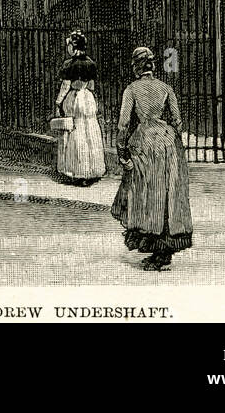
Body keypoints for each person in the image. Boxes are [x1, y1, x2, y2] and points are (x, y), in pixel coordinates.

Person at [111, 45, 193, 271]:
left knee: (146, 195)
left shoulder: (132, 89)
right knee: (167, 195)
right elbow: (177, 120)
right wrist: (176, 144)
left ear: (136, 67)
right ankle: (163, 250)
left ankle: (155, 247)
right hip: (167, 142)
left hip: (144, 142)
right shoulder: (165, 87)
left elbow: (123, 124)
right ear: (152, 65)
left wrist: (122, 151)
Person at [54, 30, 106, 185]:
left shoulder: (69, 64)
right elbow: (91, 85)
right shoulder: (91, 63)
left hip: (74, 97)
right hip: (87, 97)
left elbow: (65, 85)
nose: (67, 48)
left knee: (75, 132)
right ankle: (92, 171)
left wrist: (58, 103)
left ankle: (77, 171)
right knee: (89, 131)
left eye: (69, 45)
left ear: (73, 46)